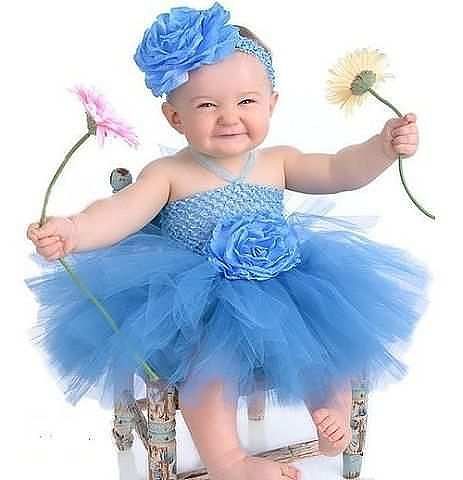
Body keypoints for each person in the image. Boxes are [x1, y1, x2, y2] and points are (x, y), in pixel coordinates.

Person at [25, 3, 431, 479]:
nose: (228, 117)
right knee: (209, 371)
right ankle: (229, 461)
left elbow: (339, 170)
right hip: (200, 302)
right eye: (206, 106)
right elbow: (120, 212)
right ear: (175, 117)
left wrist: (381, 149)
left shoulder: (279, 161)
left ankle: (332, 414)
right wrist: (74, 230)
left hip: (286, 287)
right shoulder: (169, 173)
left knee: (329, 345)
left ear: (272, 103)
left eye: (246, 101)